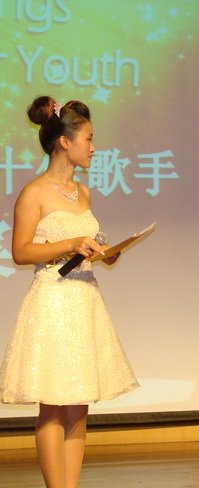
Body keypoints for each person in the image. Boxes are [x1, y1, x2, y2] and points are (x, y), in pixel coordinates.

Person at [0, 96, 139, 488]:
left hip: (84, 298)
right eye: (88, 139)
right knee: (53, 404)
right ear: (65, 142)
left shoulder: (83, 193)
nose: (93, 147)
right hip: (53, 300)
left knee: (79, 405)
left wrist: (103, 254)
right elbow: (21, 251)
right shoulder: (34, 192)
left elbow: (81, 247)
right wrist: (71, 244)